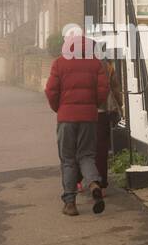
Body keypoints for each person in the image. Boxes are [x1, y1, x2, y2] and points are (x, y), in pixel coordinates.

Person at [44, 27, 109, 216]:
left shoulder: (59, 63)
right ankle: (94, 184)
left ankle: (70, 204)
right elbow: (103, 90)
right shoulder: (95, 64)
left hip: (66, 118)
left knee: (68, 161)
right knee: (87, 156)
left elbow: (51, 91)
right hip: (89, 117)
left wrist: (59, 108)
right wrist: (92, 105)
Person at [95, 49, 123, 189]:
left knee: (82, 148)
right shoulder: (107, 66)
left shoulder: (78, 65)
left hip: (83, 112)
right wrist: (121, 106)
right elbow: (115, 88)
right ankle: (101, 181)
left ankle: (80, 179)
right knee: (101, 149)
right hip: (103, 111)